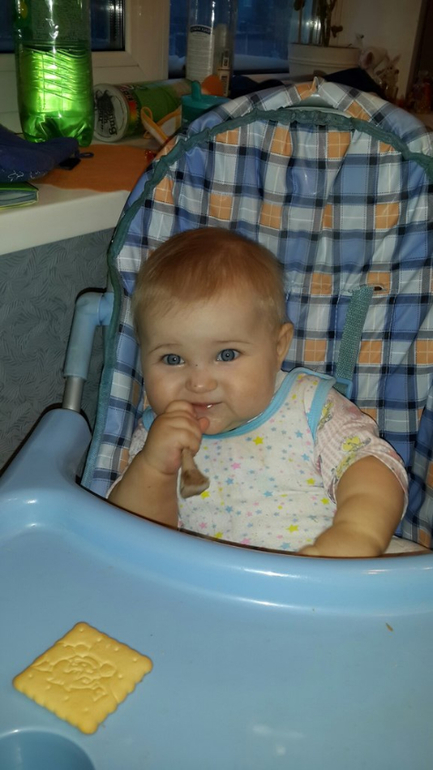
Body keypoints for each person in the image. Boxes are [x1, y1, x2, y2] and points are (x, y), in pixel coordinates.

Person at [108, 227, 407, 557]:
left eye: (226, 355)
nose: (199, 383)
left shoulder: (309, 405)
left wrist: (357, 534)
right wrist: (154, 468)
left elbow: (370, 466)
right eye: (173, 359)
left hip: (329, 568)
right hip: (213, 583)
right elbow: (128, 541)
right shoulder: (158, 438)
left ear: (278, 347)